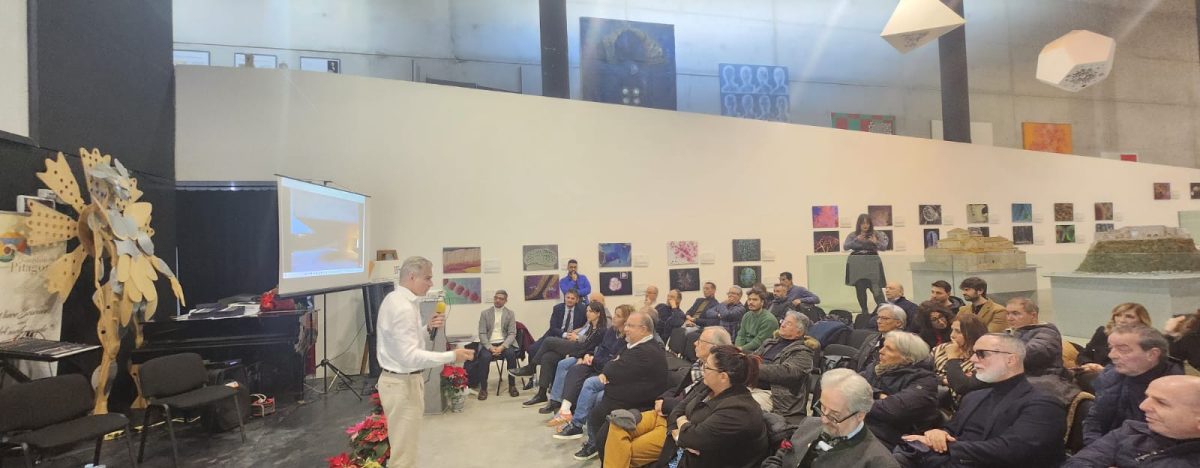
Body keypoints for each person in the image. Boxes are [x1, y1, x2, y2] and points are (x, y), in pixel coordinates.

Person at [895, 333, 1067, 468]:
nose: (973, 359)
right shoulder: (974, 396)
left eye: (981, 354)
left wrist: (943, 446)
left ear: (1011, 359)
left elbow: (1011, 450)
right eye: (973, 353)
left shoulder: (1044, 405)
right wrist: (938, 434)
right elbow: (951, 429)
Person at [376, 256, 475, 468]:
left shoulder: (396, 300)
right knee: (404, 456)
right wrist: (452, 356)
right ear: (412, 276)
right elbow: (409, 356)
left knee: (406, 448)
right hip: (402, 384)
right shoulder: (402, 307)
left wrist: (426, 328)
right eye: (427, 278)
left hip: (402, 381)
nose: (431, 284)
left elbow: (404, 342)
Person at [603, 326, 732, 467]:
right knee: (617, 424)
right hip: (662, 414)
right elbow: (679, 390)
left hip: (673, 423)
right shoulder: (699, 366)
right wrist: (662, 398)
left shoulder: (716, 380)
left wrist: (667, 405)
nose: (695, 343)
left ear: (715, 348)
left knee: (624, 452)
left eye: (700, 341)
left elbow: (693, 409)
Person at [575, 310, 668, 460]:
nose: (625, 329)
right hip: (620, 398)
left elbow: (611, 368)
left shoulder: (645, 351)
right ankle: (594, 446)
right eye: (626, 325)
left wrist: (612, 367)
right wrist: (612, 367)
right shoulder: (633, 345)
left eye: (630, 326)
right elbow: (612, 365)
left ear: (643, 329)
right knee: (594, 409)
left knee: (600, 426)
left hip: (636, 405)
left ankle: (602, 453)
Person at [762, 369, 900, 468]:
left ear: (860, 415)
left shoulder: (878, 462)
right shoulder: (809, 424)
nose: (824, 419)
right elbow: (780, 458)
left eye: (834, 415)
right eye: (822, 407)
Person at [663, 345, 770, 468]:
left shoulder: (740, 411)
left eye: (707, 367)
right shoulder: (707, 386)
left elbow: (691, 437)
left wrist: (682, 427)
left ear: (723, 376)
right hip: (679, 457)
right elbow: (677, 410)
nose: (702, 369)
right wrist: (680, 436)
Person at [1063, 375, 1200, 467]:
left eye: (1161, 403)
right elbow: (1076, 463)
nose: (1143, 406)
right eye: (1147, 397)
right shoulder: (1130, 430)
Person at [1082, 325, 1183, 445]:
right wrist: (1094, 447)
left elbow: (1164, 440)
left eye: (1122, 349)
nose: (1111, 355)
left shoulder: (1178, 391)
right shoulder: (1110, 375)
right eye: (1111, 348)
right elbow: (1095, 419)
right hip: (1104, 447)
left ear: (1152, 354)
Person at [548, 304, 632, 439]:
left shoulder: (623, 338)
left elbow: (614, 359)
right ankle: (565, 409)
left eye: (618, 316)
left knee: (587, 381)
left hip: (606, 369)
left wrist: (591, 357)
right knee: (575, 369)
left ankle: (576, 423)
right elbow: (602, 349)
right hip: (596, 362)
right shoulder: (611, 331)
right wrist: (589, 356)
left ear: (626, 319)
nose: (614, 318)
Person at [511, 301, 605, 407]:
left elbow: (589, 344)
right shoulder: (590, 324)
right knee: (547, 357)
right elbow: (579, 333)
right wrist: (574, 334)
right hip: (574, 343)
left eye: (591, 311)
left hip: (579, 348)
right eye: (587, 311)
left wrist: (577, 338)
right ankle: (542, 394)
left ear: (598, 313)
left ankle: (531, 367)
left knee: (549, 341)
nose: (587, 313)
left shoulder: (600, 329)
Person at [860, 331, 939, 449]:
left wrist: (855, 401)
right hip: (863, 426)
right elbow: (848, 386)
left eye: (889, 349)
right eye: (883, 346)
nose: (881, 351)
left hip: (894, 441)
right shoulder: (876, 368)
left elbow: (892, 411)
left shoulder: (925, 381)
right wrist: (878, 394)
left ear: (908, 358)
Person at [1005, 297, 1079, 406]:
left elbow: (1032, 353)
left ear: (1033, 315)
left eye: (1015, 313)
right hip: (1017, 377)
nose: (1010, 318)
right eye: (1007, 314)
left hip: (1043, 379)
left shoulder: (1048, 332)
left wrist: (1000, 351)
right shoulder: (1008, 333)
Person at [754, 311, 818, 423]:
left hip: (775, 396)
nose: (782, 324)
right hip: (752, 386)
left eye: (788, 323)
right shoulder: (770, 343)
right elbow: (753, 358)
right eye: (783, 321)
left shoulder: (803, 352)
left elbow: (786, 372)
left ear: (799, 332)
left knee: (739, 407)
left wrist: (752, 367)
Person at [466, 289, 519, 399]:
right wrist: (490, 347)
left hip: (504, 343)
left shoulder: (510, 314)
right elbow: (482, 333)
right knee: (484, 357)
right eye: (496, 298)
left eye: (501, 299)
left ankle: (512, 385)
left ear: (505, 301)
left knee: (511, 354)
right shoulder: (485, 313)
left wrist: (502, 347)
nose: (498, 300)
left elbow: (512, 333)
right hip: (489, 343)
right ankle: (483, 388)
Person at [932, 313, 989, 407]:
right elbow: (923, 374)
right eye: (952, 330)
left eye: (958, 332)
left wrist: (952, 357)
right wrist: (943, 380)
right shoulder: (940, 349)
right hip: (935, 399)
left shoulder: (983, 359)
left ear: (972, 334)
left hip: (963, 405)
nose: (952, 335)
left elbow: (961, 386)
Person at [1078, 303, 1152, 373]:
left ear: (1141, 320)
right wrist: (1088, 364)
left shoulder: (1146, 339)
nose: (1122, 320)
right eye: (1118, 315)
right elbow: (1084, 354)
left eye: (1129, 317)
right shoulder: (1102, 332)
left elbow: (1137, 366)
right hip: (1090, 371)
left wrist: (1104, 370)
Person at [844, 214, 889, 316]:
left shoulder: (876, 234)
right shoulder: (853, 235)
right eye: (863, 223)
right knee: (860, 287)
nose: (865, 225)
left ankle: (884, 311)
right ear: (859, 224)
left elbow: (884, 247)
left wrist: (876, 242)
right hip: (857, 264)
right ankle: (864, 312)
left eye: (867, 223)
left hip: (872, 264)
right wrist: (857, 240)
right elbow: (845, 246)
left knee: (876, 287)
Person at [854, 304, 906, 373]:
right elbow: (856, 359)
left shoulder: (905, 343)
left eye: (884, 318)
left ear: (898, 323)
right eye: (878, 318)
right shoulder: (871, 338)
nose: (879, 321)